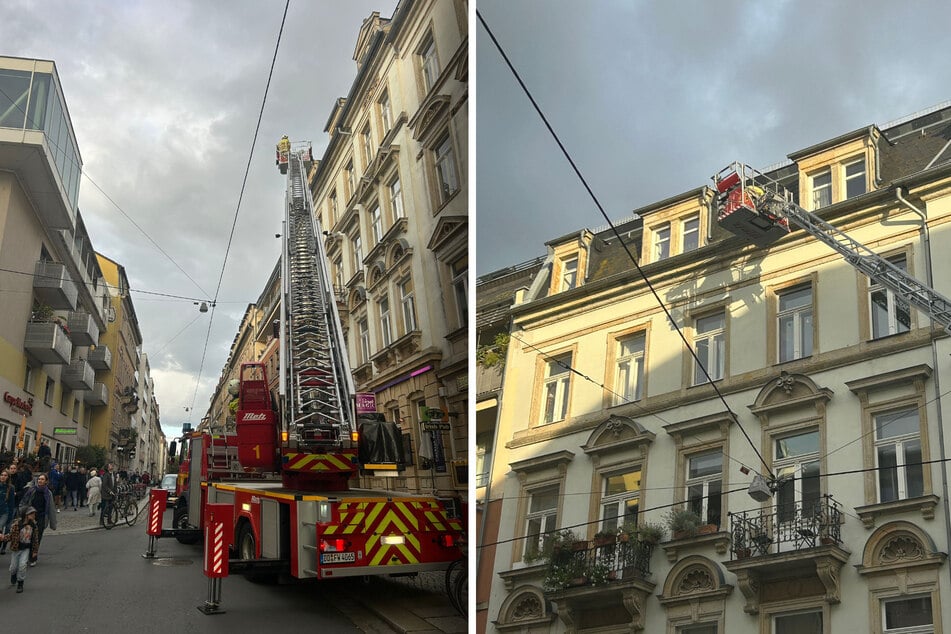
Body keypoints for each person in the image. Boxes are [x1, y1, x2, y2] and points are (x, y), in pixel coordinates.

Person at [18, 473, 56, 565]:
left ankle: (33, 557)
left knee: (37, 538)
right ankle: (26, 556)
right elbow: (24, 502)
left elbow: (51, 508)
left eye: (42, 479)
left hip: (41, 517)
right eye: (39, 479)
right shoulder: (32, 490)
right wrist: (22, 513)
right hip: (30, 517)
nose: (40, 481)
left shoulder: (48, 493)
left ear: (46, 481)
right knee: (28, 537)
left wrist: (53, 523)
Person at [4, 506, 39, 593]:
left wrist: (35, 551)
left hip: (26, 548)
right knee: (13, 567)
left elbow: (35, 539)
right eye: (31, 513)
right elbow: (11, 536)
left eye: (34, 513)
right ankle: (13, 574)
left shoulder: (33, 525)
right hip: (16, 548)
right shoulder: (17, 525)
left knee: (22, 565)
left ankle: (20, 583)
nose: (33, 515)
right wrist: (3, 537)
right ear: (26, 515)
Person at [0, 470, 15, 555]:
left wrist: (10, 516)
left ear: (8, 477)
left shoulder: (11, 488)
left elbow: (11, 503)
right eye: (1, 475)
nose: (3, 477)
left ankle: (3, 546)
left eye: (5, 475)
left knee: (1, 528)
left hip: (4, 512)